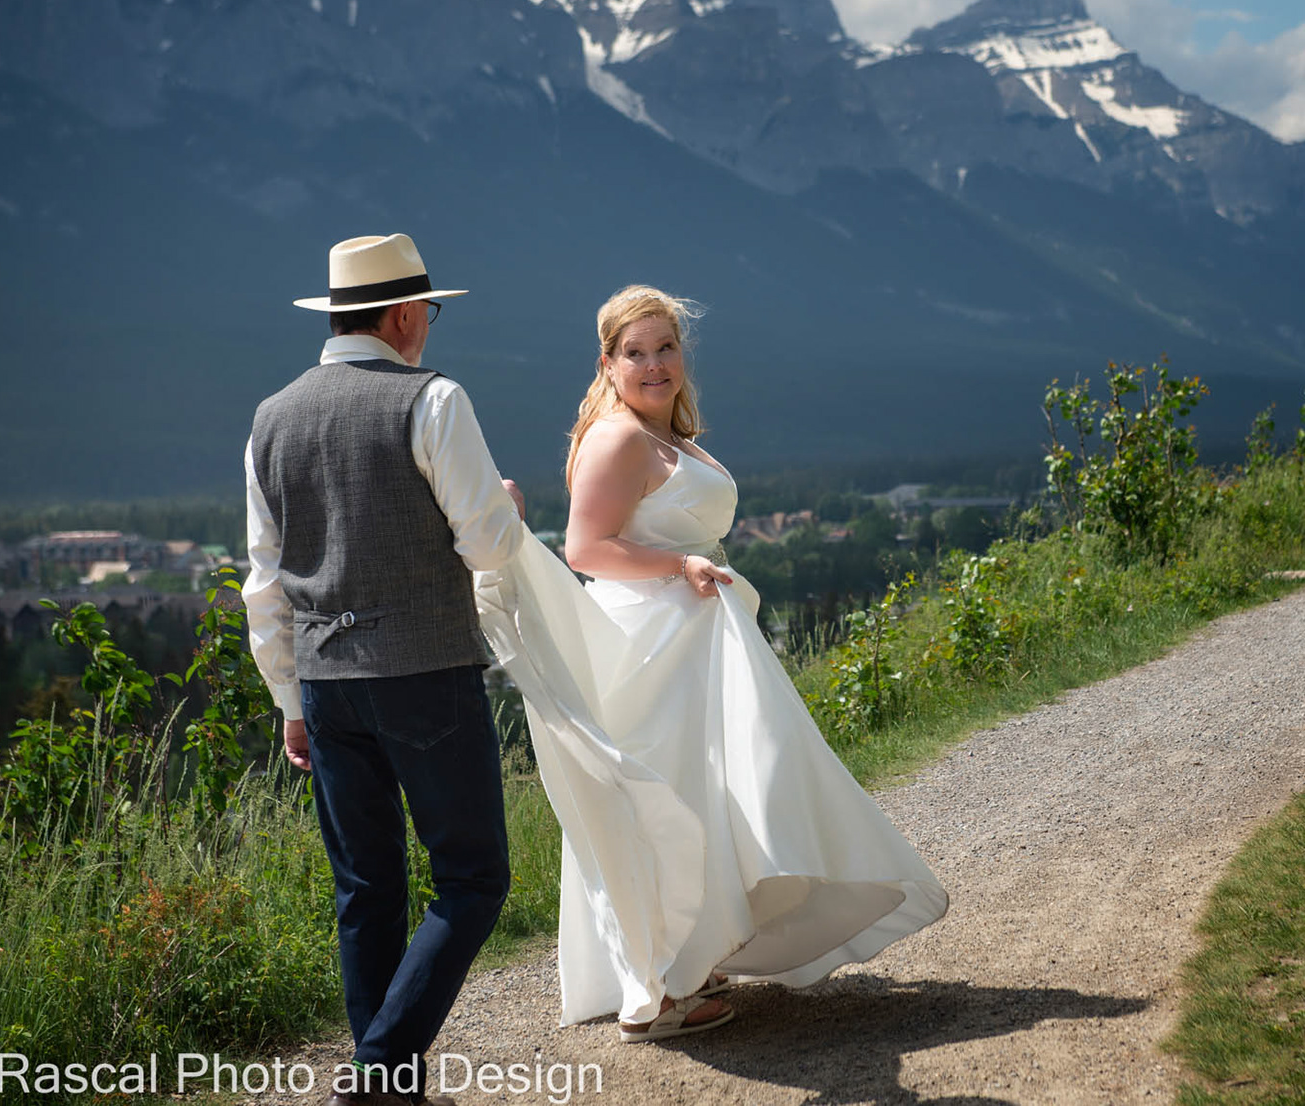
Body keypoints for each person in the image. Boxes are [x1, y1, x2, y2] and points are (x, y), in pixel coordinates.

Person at [474, 285, 948, 1043]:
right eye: (637, 352)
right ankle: (659, 986)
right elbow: (584, 550)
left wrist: (687, 572)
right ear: (608, 361)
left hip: (687, 638)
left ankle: (692, 953)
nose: (655, 364)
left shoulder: (666, 435)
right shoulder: (619, 438)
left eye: (666, 348)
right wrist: (680, 565)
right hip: (649, 642)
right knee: (665, 802)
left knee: (707, 794)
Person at [245, 233, 529, 1106]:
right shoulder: (433, 400)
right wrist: (509, 510)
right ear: (406, 315)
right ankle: (379, 1073)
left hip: (327, 687)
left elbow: (265, 583)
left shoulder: (270, 416)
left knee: (366, 887)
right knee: (473, 878)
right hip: (425, 673)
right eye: (430, 314)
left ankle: (389, 1086)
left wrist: (289, 700)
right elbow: (487, 544)